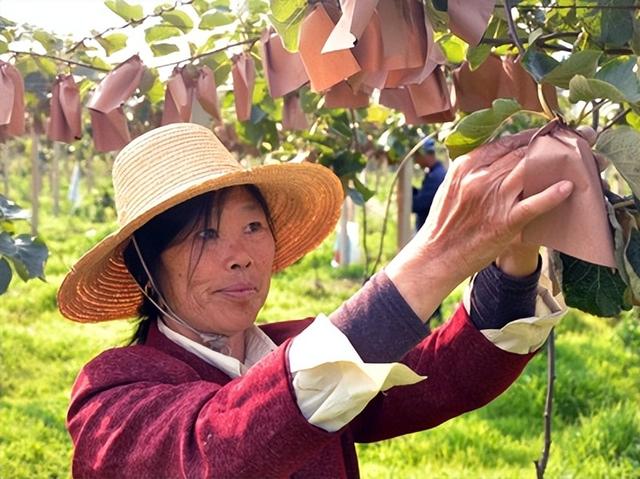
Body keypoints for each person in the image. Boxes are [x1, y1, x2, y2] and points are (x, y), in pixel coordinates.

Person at [60, 123, 571, 478]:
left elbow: (445, 376)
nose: (239, 256)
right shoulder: (110, 397)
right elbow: (218, 449)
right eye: (203, 236)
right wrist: (434, 257)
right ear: (145, 269)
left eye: (253, 227)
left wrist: (514, 259)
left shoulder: (298, 351)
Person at [412, 137, 446, 230]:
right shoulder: (434, 173)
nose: (415, 160)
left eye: (416, 155)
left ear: (424, 154)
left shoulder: (435, 176)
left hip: (429, 229)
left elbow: (420, 205)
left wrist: (406, 195)